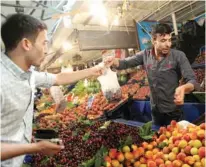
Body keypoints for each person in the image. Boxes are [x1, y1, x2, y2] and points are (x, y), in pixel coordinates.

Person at [0, 13, 102, 167]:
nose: (46, 50)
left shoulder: (29, 75)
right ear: (26, 44)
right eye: (44, 43)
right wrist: (36, 148)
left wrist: (94, 70)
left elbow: (58, 78)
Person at [105, 23, 199, 126]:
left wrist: (184, 88)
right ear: (154, 40)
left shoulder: (178, 56)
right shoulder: (145, 55)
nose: (168, 44)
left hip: (173, 112)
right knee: (157, 138)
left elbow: (192, 81)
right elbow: (125, 63)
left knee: (174, 139)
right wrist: (113, 61)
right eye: (163, 41)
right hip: (155, 112)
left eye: (169, 40)